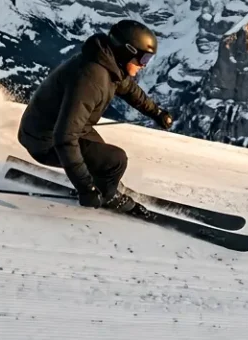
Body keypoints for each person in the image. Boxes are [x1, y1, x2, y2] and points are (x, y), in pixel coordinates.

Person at [16, 19, 174, 213]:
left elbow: (129, 89)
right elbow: (64, 138)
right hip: (43, 141)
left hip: (50, 128)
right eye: (143, 59)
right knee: (115, 161)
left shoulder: (108, 63)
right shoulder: (92, 78)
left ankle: (105, 184)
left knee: (103, 158)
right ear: (127, 51)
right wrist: (86, 188)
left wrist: (156, 113)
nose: (144, 65)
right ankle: (109, 196)